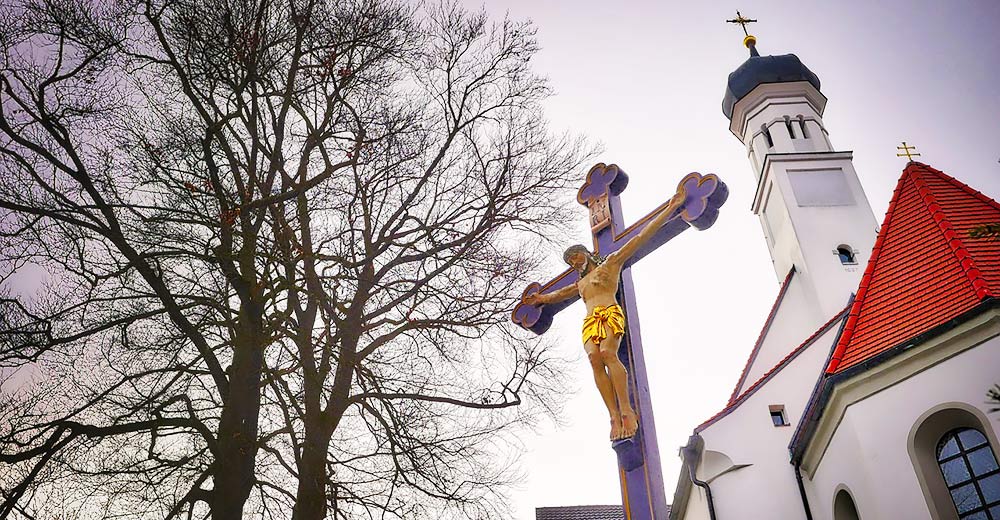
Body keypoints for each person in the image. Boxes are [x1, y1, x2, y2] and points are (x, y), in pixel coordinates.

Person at [524, 187, 686, 441]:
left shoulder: (610, 263)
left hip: (609, 312)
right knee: (594, 359)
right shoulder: (580, 284)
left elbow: (640, 238)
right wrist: (540, 298)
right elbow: (557, 295)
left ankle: (626, 410)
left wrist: (670, 207)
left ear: (587, 253)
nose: (575, 264)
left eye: (577, 258)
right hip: (591, 321)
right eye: (571, 263)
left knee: (608, 353)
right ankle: (613, 415)